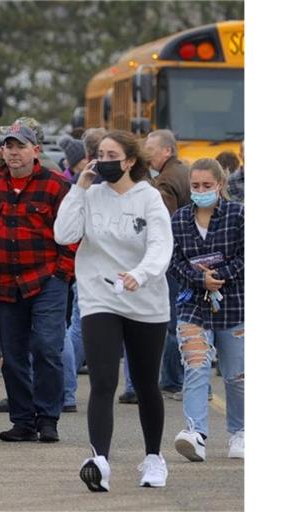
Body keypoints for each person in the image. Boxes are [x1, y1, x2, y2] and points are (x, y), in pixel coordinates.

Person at [54, 129, 173, 491]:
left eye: (111, 155)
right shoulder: (89, 195)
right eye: (99, 154)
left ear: (130, 161)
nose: (103, 161)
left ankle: (153, 458)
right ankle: (99, 461)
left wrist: (140, 274)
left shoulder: (148, 198)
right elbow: (64, 234)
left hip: (145, 300)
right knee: (103, 380)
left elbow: (160, 246)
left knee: (146, 382)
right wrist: (79, 188)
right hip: (99, 298)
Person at [0, 122, 74, 444]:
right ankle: (22, 420)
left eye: (20, 146)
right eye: (9, 146)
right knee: (13, 355)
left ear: (35, 151)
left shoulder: (55, 185)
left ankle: (48, 418)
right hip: (6, 282)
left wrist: (63, 272)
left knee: (48, 348)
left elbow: (73, 231)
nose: (14, 152)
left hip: (47, 278)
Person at [170, 158, 244, 461]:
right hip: (192, 304)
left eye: (206, 185)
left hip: (235, 304)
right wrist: (199, 278)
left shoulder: (239, 215)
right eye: (195, 186)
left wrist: (221, 276)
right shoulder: (179, 219)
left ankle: (241, 432)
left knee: (236, 375)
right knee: (196, 367)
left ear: (220, 185)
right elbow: (174, 261)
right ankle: (195, 432)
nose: (200, 191)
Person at [60, 127, 106, 412]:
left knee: (78, 327)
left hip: (96, 270)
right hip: (89, 269)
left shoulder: (135, 190)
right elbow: (65, 231)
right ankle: (66, 388)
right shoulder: (83, 185)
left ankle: (65, 388)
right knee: (79, 327)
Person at [144, 129, 191, 399]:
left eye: (152, 149)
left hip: (174, 260)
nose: (147, 153)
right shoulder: (181, 172)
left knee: (174, 321)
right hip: (186, 258)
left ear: (167, 151)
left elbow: (163, 223)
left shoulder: (166, 181)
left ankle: (175, 380)